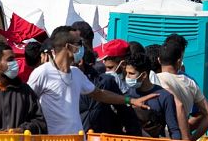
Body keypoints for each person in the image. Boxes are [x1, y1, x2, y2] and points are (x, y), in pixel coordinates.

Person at [28, 31, 156, 135]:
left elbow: (99, 94)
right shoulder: (42, 72)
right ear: (68, 47)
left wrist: (130, 100)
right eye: (79, 43)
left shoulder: (76, 73)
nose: (82, 48)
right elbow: (26, 100)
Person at [155, 41, 208, 141]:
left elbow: (179, 106)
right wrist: (191, 139)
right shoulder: (190, 83)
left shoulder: (156, 79)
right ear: (179, 62)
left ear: (159, 60)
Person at [124, 54, 182, 139]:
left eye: (131, 73)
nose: (127, 77)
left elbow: (174, 130)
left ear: (143, 75)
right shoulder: (127, 95)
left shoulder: (164, 96)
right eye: (126, 73)